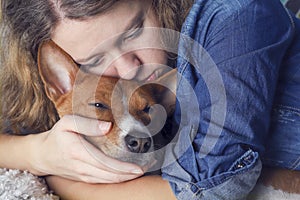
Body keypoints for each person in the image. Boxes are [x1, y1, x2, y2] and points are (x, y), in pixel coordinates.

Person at [0, 0, 299, 199]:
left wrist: (60, 180)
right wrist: (38, 153)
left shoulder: (236, 14)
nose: (130, 68)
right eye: (94, 60)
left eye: (135, 30)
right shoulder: (77, 92)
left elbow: (213, 188)